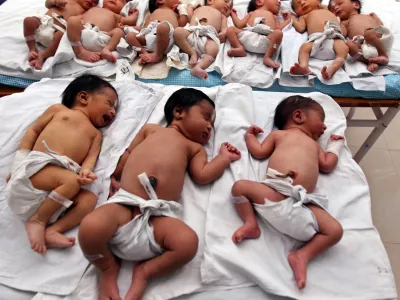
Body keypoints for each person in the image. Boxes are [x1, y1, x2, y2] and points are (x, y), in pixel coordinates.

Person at [78, 88, 241, 300]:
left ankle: (145, 272)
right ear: (179, 111)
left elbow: (202, 175)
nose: (210, 126)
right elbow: (128, 153)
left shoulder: (194, 148)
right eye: (206, 117)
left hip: (158, 216)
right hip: (125, 204)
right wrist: (114, 174)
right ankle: (107, 268)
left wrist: (223, 158)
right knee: (90, 228)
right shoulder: (150, 130)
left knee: (188, 243)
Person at [231, 95, 344, 289]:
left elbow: (327, 165)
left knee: (335, 231)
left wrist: (334, 146)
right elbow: (258, 152)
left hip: (303, 202)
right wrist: (250, 136)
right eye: (321, 120)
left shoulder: (315, 146)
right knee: (239, 187)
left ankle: (302, 255)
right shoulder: (278, 135)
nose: (325, 128)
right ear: (299, 116)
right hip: (275, 190)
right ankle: (251, 223)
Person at [6, 75, 118, 255]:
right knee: (71, 181)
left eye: (115, 108)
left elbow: (91, 158)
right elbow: (33, 131)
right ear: (83, 98)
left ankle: (53, 230)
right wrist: (19, 165)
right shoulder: (59, 111)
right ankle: (37, 221)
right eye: (109, 103)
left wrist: (85, 172)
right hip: (37, 172)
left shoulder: (96, 135)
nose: (113, 112)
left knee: (89, 199)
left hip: (59, 192)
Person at [282, 0, 349, 80]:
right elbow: (300, 28)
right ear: (296, 12)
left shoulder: (328, 11)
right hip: (316, 40)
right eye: (298, 5)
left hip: (334, 38)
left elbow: (344, 33)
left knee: (344, 48)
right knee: (304, 48)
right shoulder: (304, 16)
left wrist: (339, 23)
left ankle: (333, 68)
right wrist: (292, 18)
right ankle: (304, 66)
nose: (303, 3)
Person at [23, 0, 97, 70]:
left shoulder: (86, 12)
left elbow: (83, 23)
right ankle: (32, 49)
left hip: (58, 31)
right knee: (29, 21)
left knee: (60, 37)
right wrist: (54, 1)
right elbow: (47, 4)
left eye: (95, 2)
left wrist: (81, 20)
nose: (92, 1)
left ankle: (42, 56)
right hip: (43, 23)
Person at [173, 0, 232, 79]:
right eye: (226, 1)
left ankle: (199, 67)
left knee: (214, 49)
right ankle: (192, 53)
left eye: (230, 6)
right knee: (177, 31)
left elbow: (224, 28)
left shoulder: (222, 16)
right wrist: (190, 7)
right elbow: (189, 17)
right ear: (210, 1)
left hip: (208, 36)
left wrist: (223, 33)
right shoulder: (199, 8)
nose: (228, 5)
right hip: (192, 32)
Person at [67, 0, 138, 63]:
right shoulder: (92, 9)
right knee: (72, 20)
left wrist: (134, 15)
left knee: (119, 32)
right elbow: (79, 18)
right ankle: (80, 51)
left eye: (120, 1)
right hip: (83, 33)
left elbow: (130, 21)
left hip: (102, 38)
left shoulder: (117, 16)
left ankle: (107, 50)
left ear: (124, 7)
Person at [334, 0, 393, 72]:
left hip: (378, 40)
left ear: (356, 5)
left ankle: (383, 55)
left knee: (369, 33)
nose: (336, 7)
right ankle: (369, 61)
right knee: (349, 44)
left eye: (340, 3)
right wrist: (338, 22)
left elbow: (380, 26)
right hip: (362, 46)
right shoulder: (344, 23)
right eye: (333, 8)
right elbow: (343, 33)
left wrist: (376, 17)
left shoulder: (368, 16)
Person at [125, 0, 190, 65]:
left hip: (167, 39)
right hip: (149, 39)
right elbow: (144, 29)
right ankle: (144, 53)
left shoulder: (174, 13)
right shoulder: (150, 15)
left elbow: (182, 24)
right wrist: (127, 27)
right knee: (129, 36)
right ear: (160, 1)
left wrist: (182, 9)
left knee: (162, 27)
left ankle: (158, 55)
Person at [227, 0, 287, 68]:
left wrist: (287, 21)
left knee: (278, 34)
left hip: (266, 41)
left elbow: (278, 29)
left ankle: (268, 57)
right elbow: (239, 25)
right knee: (230, 29)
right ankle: (239, 47)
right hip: (249, 36)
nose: (279, 1)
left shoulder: (274, 17)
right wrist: (233, 14)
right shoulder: (252, 13)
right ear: (259, 1)